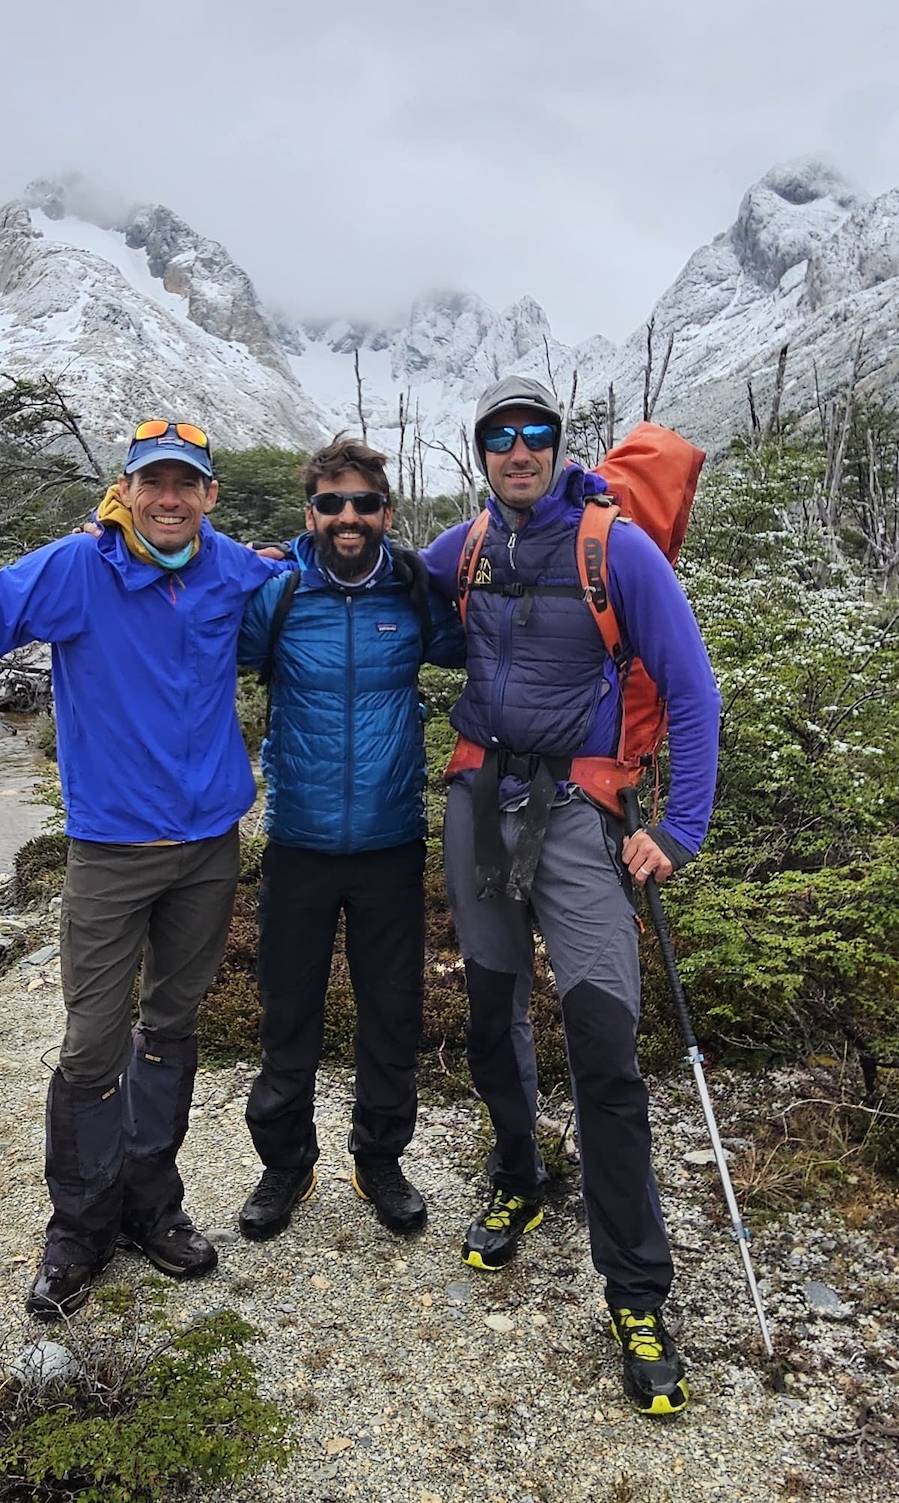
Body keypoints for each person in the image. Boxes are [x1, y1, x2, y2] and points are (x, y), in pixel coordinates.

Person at [0, 419, 285, 1321]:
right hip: (111, 850)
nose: (171, 498)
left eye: (187, 483)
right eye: (154, 481)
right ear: (127, 488)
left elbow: (322, 576)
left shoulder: (233, 568)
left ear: (210, 496)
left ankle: (151, 1203)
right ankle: (77, 1225)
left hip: (209, 845)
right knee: (91, 1041)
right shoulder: (79, 569)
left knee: (172, 1024)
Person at [418, 375, 722, 1416]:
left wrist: (679, 829)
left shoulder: (614, 549)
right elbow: (361, 580)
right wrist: (277, 564)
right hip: (480, 802)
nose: (518, 451)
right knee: (493, 1008)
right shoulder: (463, 549)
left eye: (534, 435)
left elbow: (694, 687)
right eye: (499, 437)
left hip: (583, 820)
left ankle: (636, 1291)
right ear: (482, 453)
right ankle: (520, 1172)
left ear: (557, 446)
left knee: (602, 1040)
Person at [231, 438, 464, 1242]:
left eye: (363, 502)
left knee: (391, 1012)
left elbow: (483, 648)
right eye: (332, 503)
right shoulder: (281, 593)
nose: (349, 517)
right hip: (297, 836)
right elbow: (206, 648)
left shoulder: (414, 589)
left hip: (391, 838)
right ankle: (286, 1164)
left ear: (386, 512)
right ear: (311, 514)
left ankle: (381, 1158)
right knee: (287, 1011)